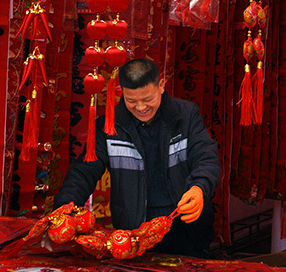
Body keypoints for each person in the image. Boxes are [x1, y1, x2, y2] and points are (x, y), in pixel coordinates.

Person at [54, 58, 220, 258]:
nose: (141, 107)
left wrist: (199, 188)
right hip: (133, 234)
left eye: (147, 99)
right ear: (122, 91)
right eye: (131, 100)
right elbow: (83, 173)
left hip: (185, 226)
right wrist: (63, 211)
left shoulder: (186, 115)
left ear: (161, 85)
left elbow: (206, 156)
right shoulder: (109, 125)